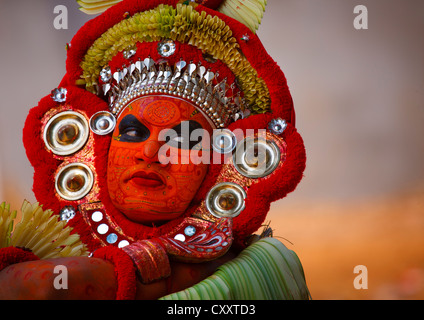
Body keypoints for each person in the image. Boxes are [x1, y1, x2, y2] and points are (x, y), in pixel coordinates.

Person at [0, 0, 309, 300]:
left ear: (218, 165)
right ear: (98, 145)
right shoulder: (40, 250)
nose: (151, 153)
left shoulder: (260, 273)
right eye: (133, 132)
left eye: (184, 140)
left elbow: (46, 288)